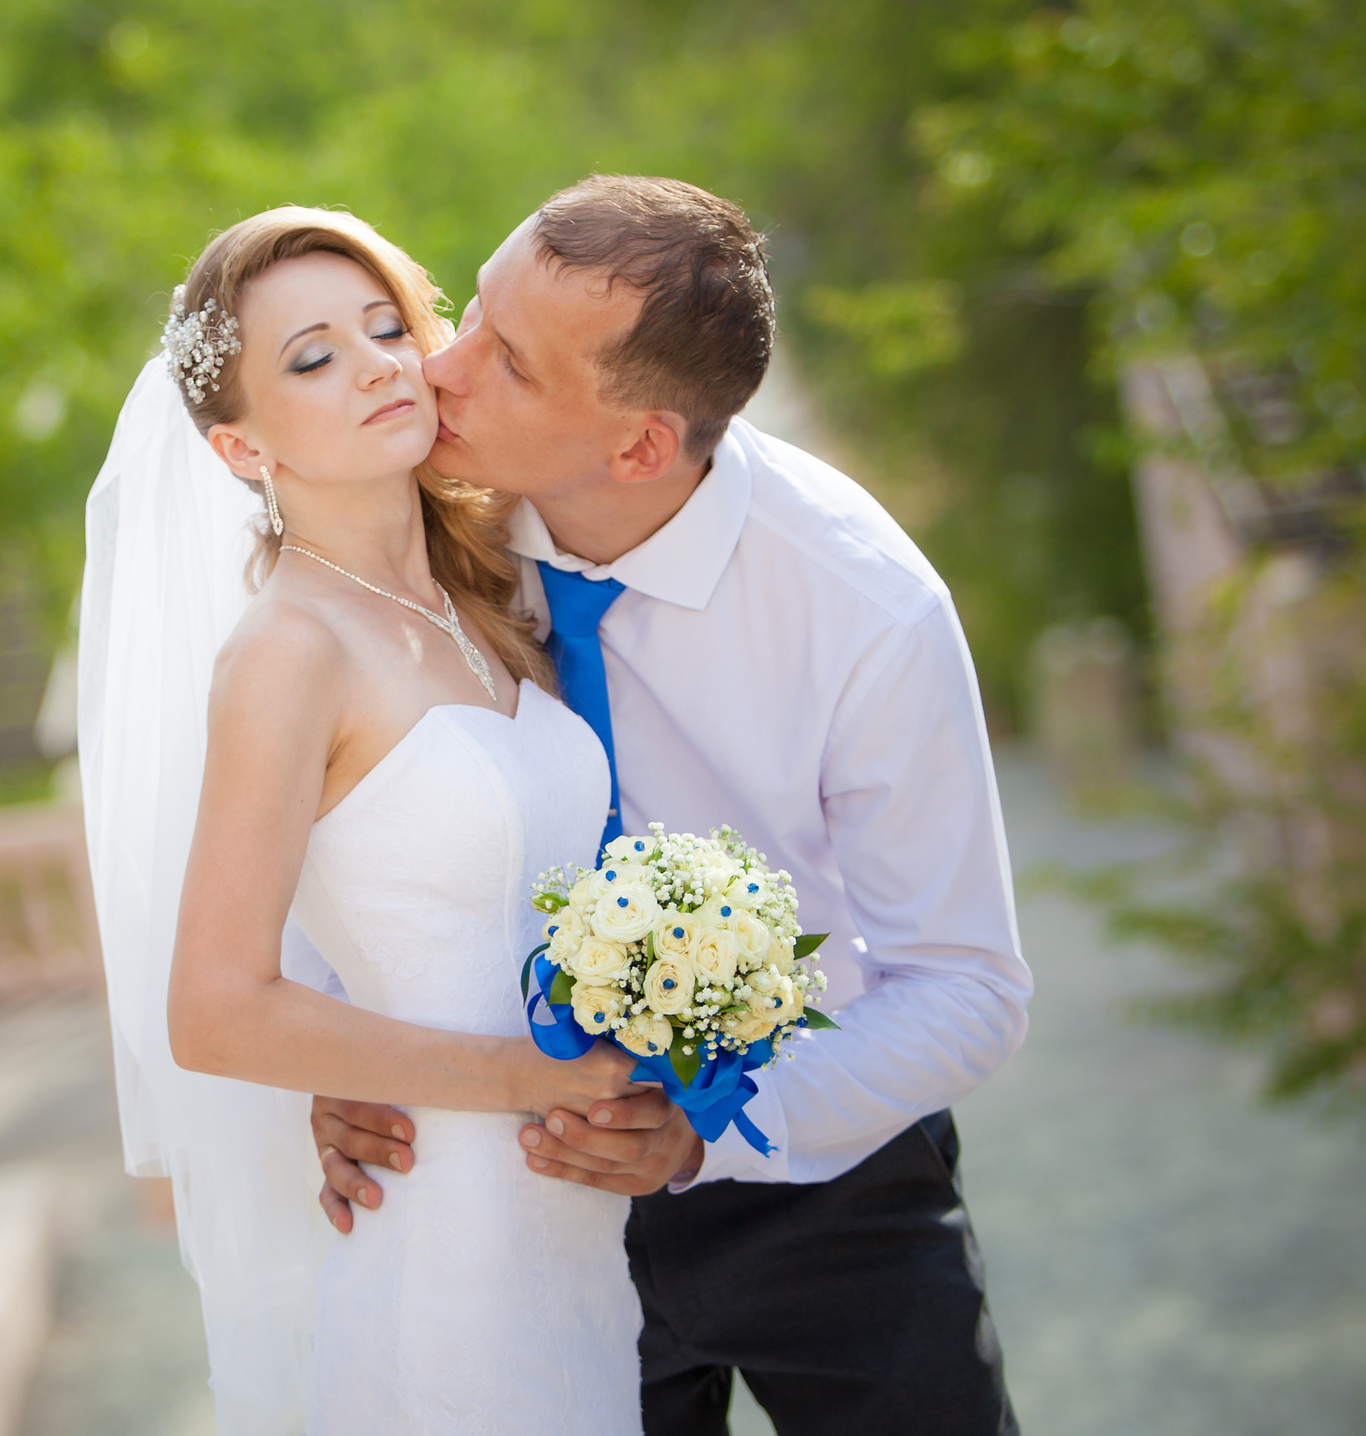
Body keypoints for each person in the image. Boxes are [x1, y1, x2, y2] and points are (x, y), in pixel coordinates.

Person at [309, 175, 1031, 1435]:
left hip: (824, 1173)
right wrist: (331, 1043)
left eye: (510, 364)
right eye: (468, 312)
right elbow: (329, 796)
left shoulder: (864, 607)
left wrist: (717, 1135)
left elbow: (968, 985)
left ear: (639, 444)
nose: (444, 369)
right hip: (517, 1182)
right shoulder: (400, 527)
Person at [78, 206, 648, 1434]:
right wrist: (522, 1077)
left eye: (387, 327)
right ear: (239, 450)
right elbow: (217, 1010)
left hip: (586, 1233)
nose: (378, 363)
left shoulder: (489, 594)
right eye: (312, 357)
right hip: (449, 1248)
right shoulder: (285, 654)